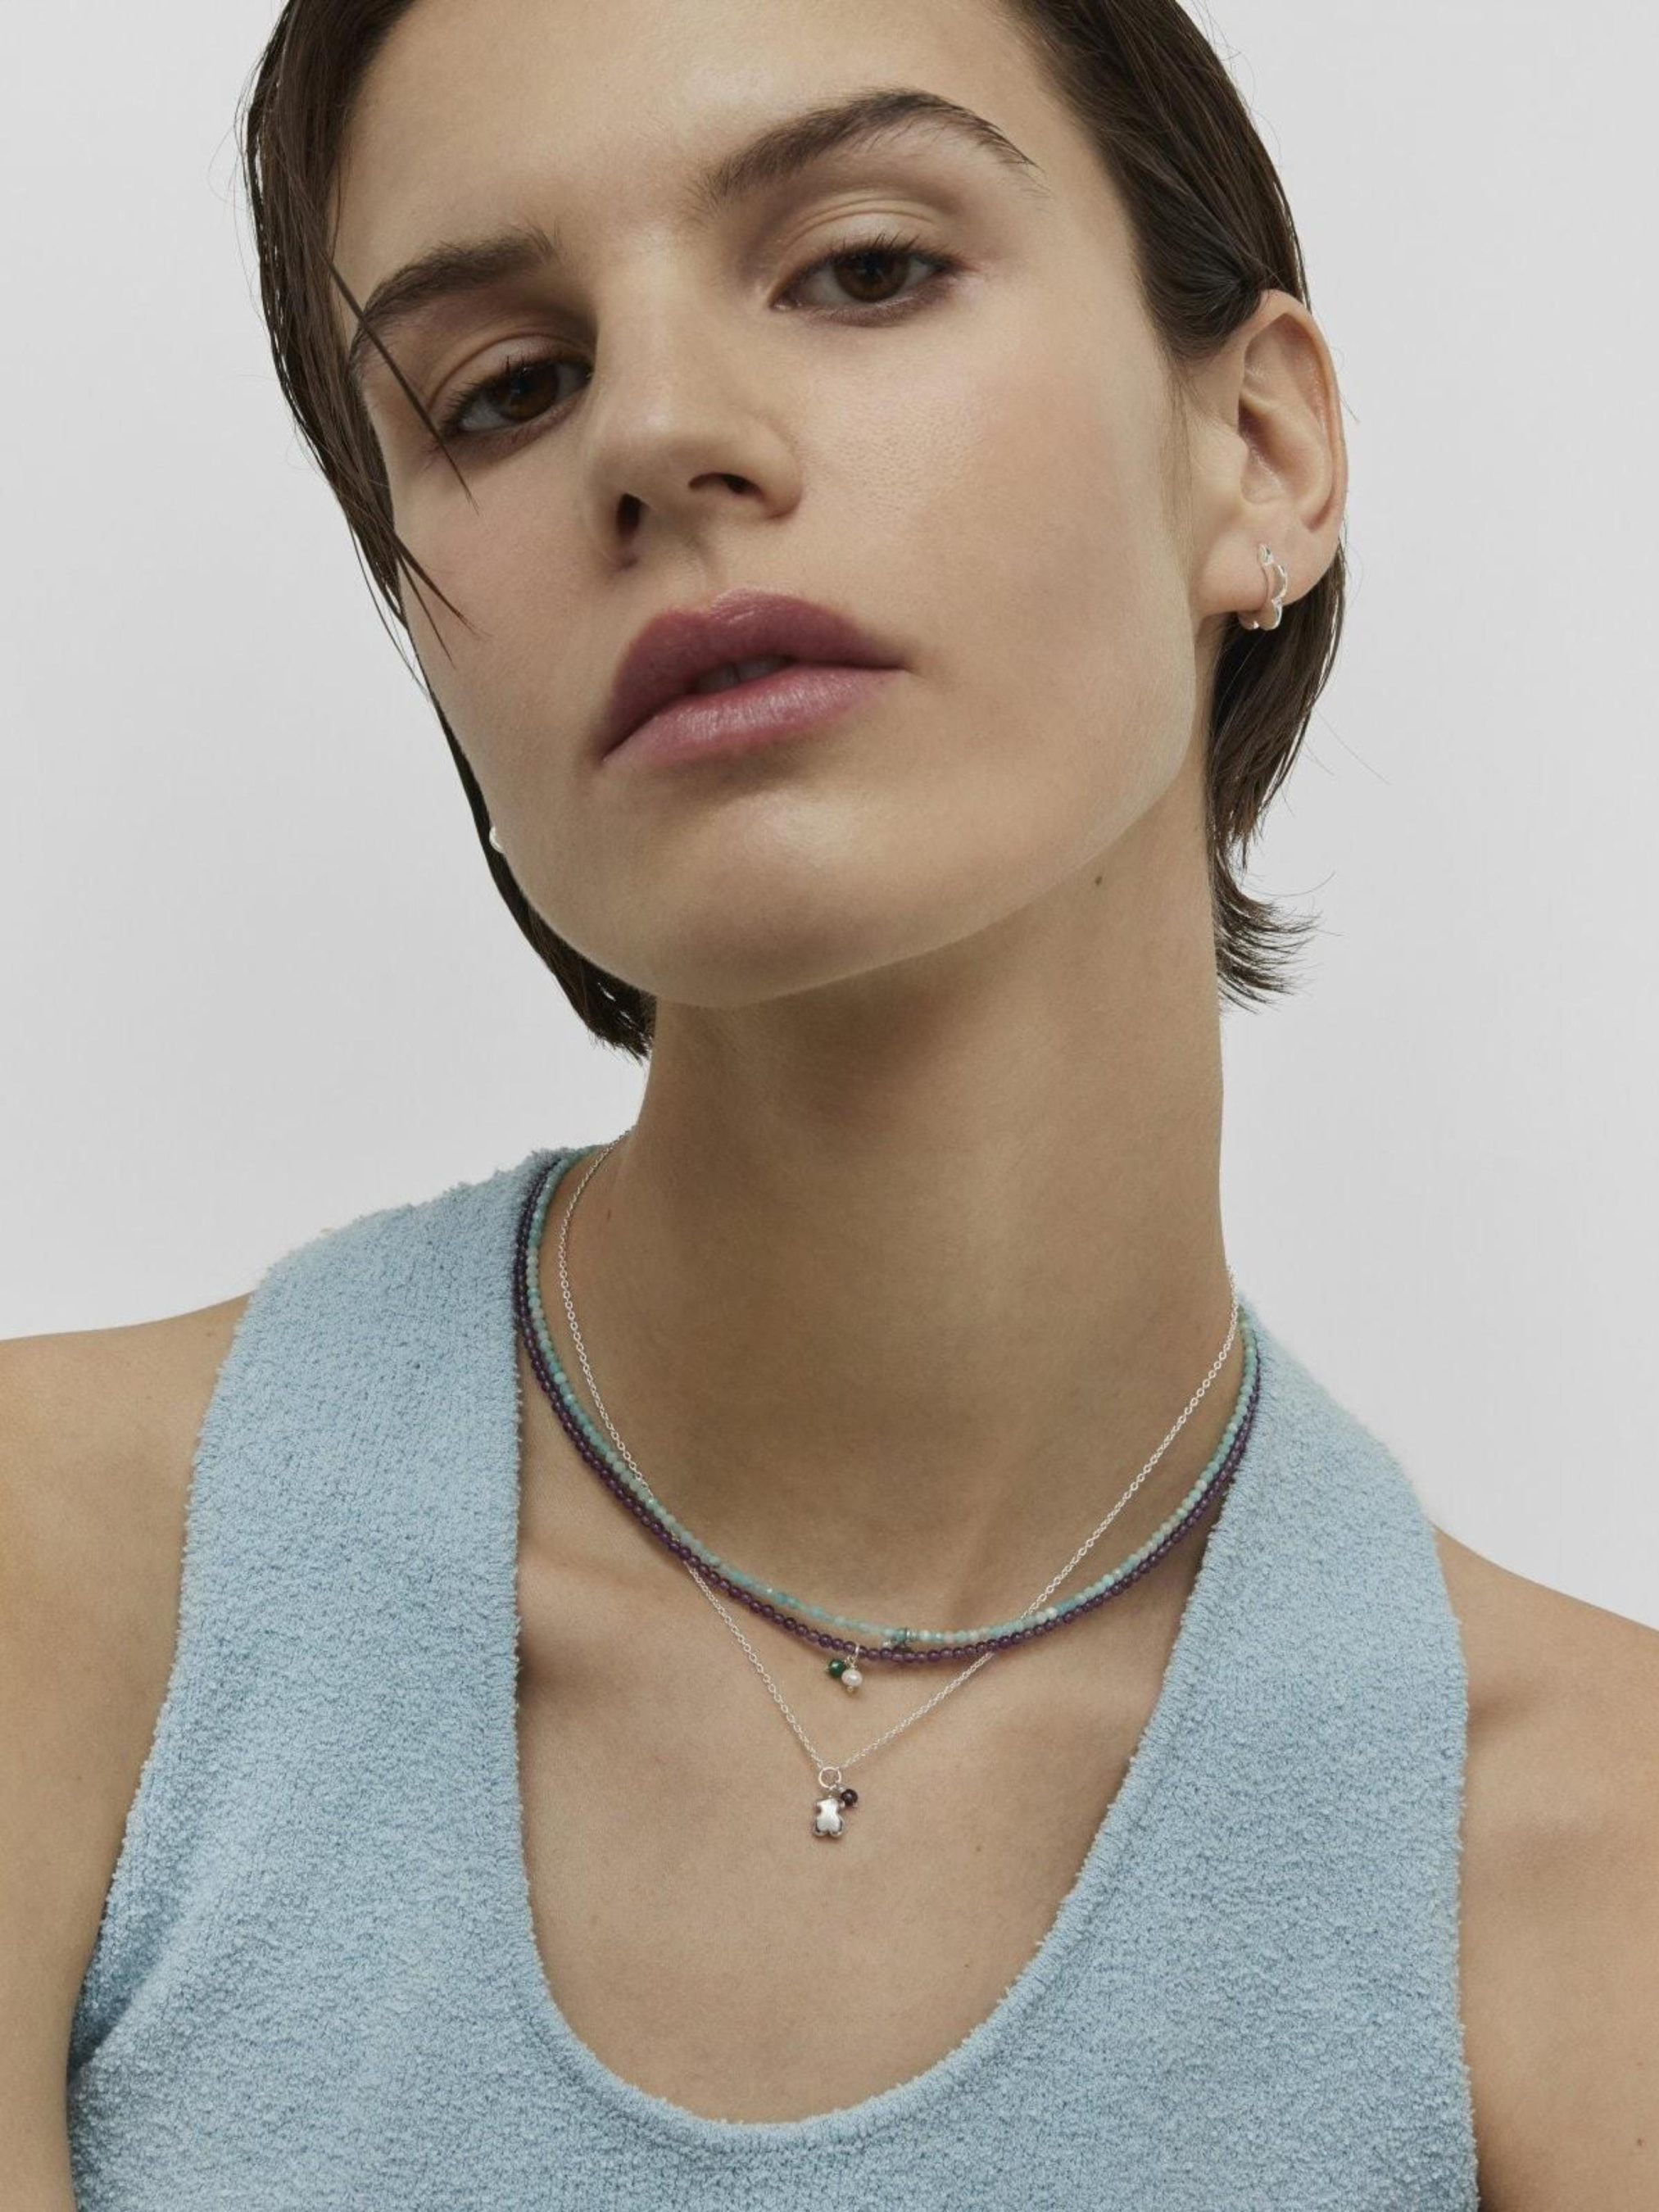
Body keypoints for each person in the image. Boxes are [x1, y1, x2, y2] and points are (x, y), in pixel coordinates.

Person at [2, 0, 1655, 2205]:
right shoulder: (57, 1593)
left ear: (1256, 449)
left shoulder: (1594, 1869)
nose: (659, 433)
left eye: (865, 267)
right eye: (507, 387)